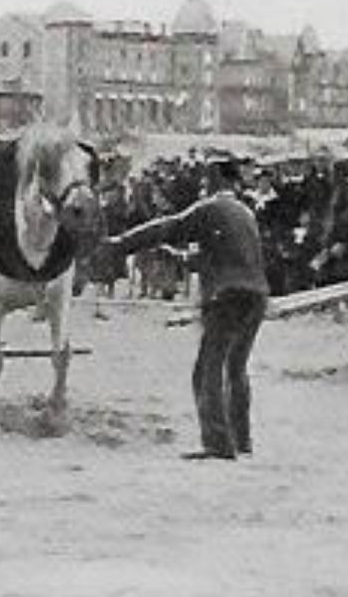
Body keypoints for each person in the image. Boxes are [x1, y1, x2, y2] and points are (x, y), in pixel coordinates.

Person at [98, 158, 270, 461]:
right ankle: (242, 440)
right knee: (236, 367)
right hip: (255, 295)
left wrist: (120, 244)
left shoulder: (211, 208)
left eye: (207, 181)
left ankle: (217, 445)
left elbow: (169, 226)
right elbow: (220, 256)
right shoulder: (245, 212)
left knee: (207, 369)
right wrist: (179, 259)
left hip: (225, 295)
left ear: (216, 180)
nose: (203, 186)